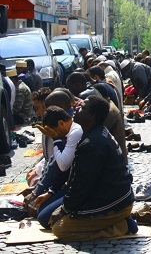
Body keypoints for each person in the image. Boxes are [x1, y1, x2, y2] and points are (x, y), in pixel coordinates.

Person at [48, 95, 136, 241]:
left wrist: (64, 209)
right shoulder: (96, 132)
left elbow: (82, 185)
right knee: (47, 218)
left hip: (114, 202)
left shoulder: (92, 143)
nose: (76, 108)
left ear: (91, 116)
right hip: (114, 196)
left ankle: (120, 226)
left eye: (82, 107)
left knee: (59, 229)